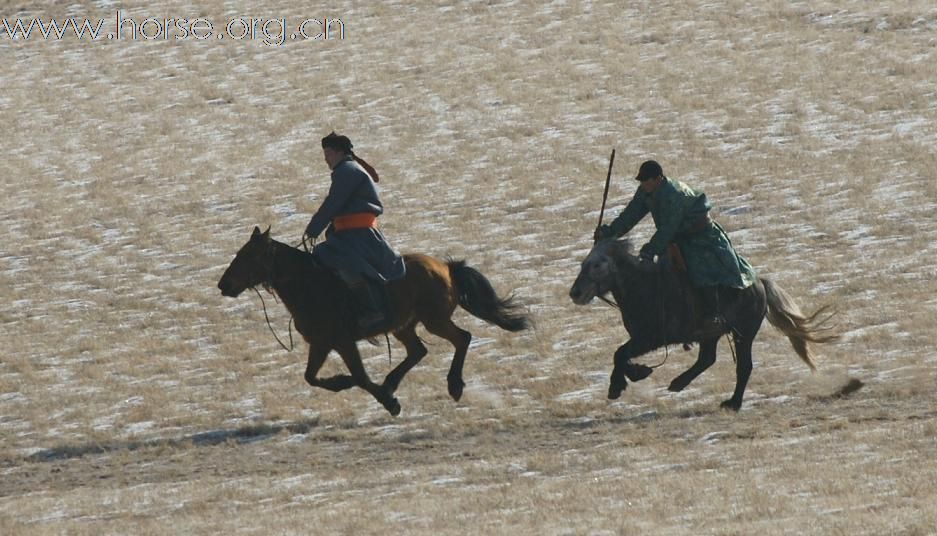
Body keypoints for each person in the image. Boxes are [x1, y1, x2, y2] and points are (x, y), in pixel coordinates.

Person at [595, 160, 756, 337]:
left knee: (700, 269)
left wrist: (650, 249)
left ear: (658, 179)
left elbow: (668, 228)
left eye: (646, 180)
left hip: (699, 236)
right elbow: (631, 214)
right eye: (641, 181)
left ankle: (713, 314)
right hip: (677, 237)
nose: (643, 184)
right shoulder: (646, 191)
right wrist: (609, 233)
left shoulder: (674, 194)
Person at [304, 132, 406, 335]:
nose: (326, 160)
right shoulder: (347, 170)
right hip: (351, 234)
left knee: (332, 257)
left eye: (329, 154)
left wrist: (314, 229)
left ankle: (370, 309)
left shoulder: (347, 171)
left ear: (340, 152)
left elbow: (333, 203)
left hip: (359, 235)